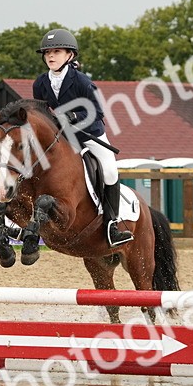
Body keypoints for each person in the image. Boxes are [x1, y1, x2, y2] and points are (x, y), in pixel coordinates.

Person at [32, 28, 133, 247]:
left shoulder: (81, 81)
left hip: (89, 136)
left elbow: (97, 111)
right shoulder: (40, 83)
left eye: (56, 51)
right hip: (62, 140)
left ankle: (112, 225)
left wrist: (74, 115)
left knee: (109, 170)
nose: (50, 56)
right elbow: (40, 114)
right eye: (47, 52)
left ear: (70, 55)